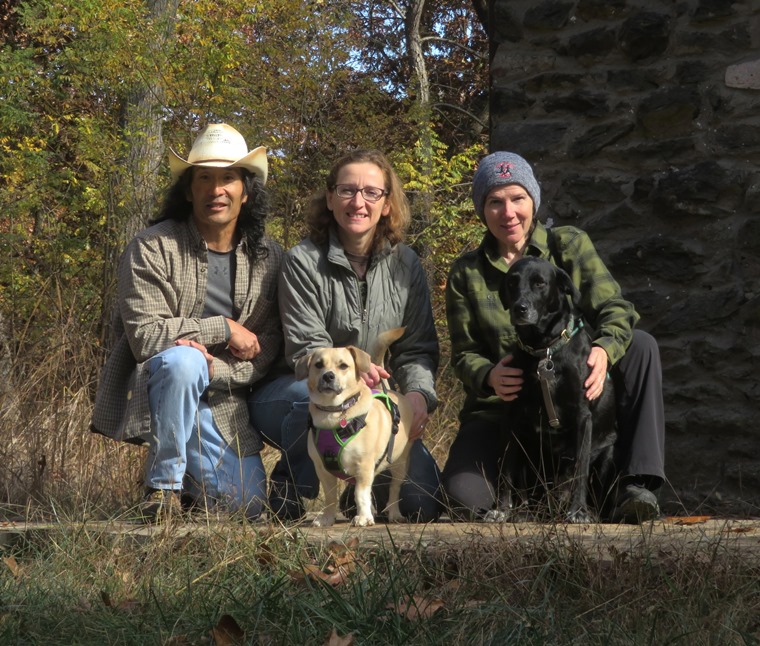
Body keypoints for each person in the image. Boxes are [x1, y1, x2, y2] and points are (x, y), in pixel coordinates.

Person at [442, 151, 665, 523]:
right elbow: (464, 354)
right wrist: (488, 376)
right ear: (482, 210)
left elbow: (617, 309)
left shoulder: (569, 245)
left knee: (641, 345)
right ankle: (523, 499)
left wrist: (605, 349)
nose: (508, 212)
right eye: (494, 202)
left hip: (570, 395)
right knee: (465, 501)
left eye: (517, 198)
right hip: (503, 410)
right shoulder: (467, 272)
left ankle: (636, 484)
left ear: (533, 200)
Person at [90, 123, 284, 522]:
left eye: (228, 178)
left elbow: (268, 346)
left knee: (244, 505)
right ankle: (162, 492)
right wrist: (224, 329)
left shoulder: (269, 258)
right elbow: (145, 337)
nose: (217, 190)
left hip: (226, 401)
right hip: (163, 384)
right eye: (205, 179)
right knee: (183, 362)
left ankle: (193, 485)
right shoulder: (151, 246)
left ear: (246, 191)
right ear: (188, 189)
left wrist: (216, 370)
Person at [249, 149, 443, 523]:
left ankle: (358, 496)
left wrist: (418, 394)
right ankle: (295, 494)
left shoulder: (407, 265)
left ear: (386, 204)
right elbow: (308, 349)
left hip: (376, 405)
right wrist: (363, 377)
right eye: (346, 190)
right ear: (329, 198)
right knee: (310, 404)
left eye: (372, 192)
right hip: (297, 391)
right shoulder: (303, 260)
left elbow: (418, 348)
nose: (358, 202)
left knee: (421, 505)